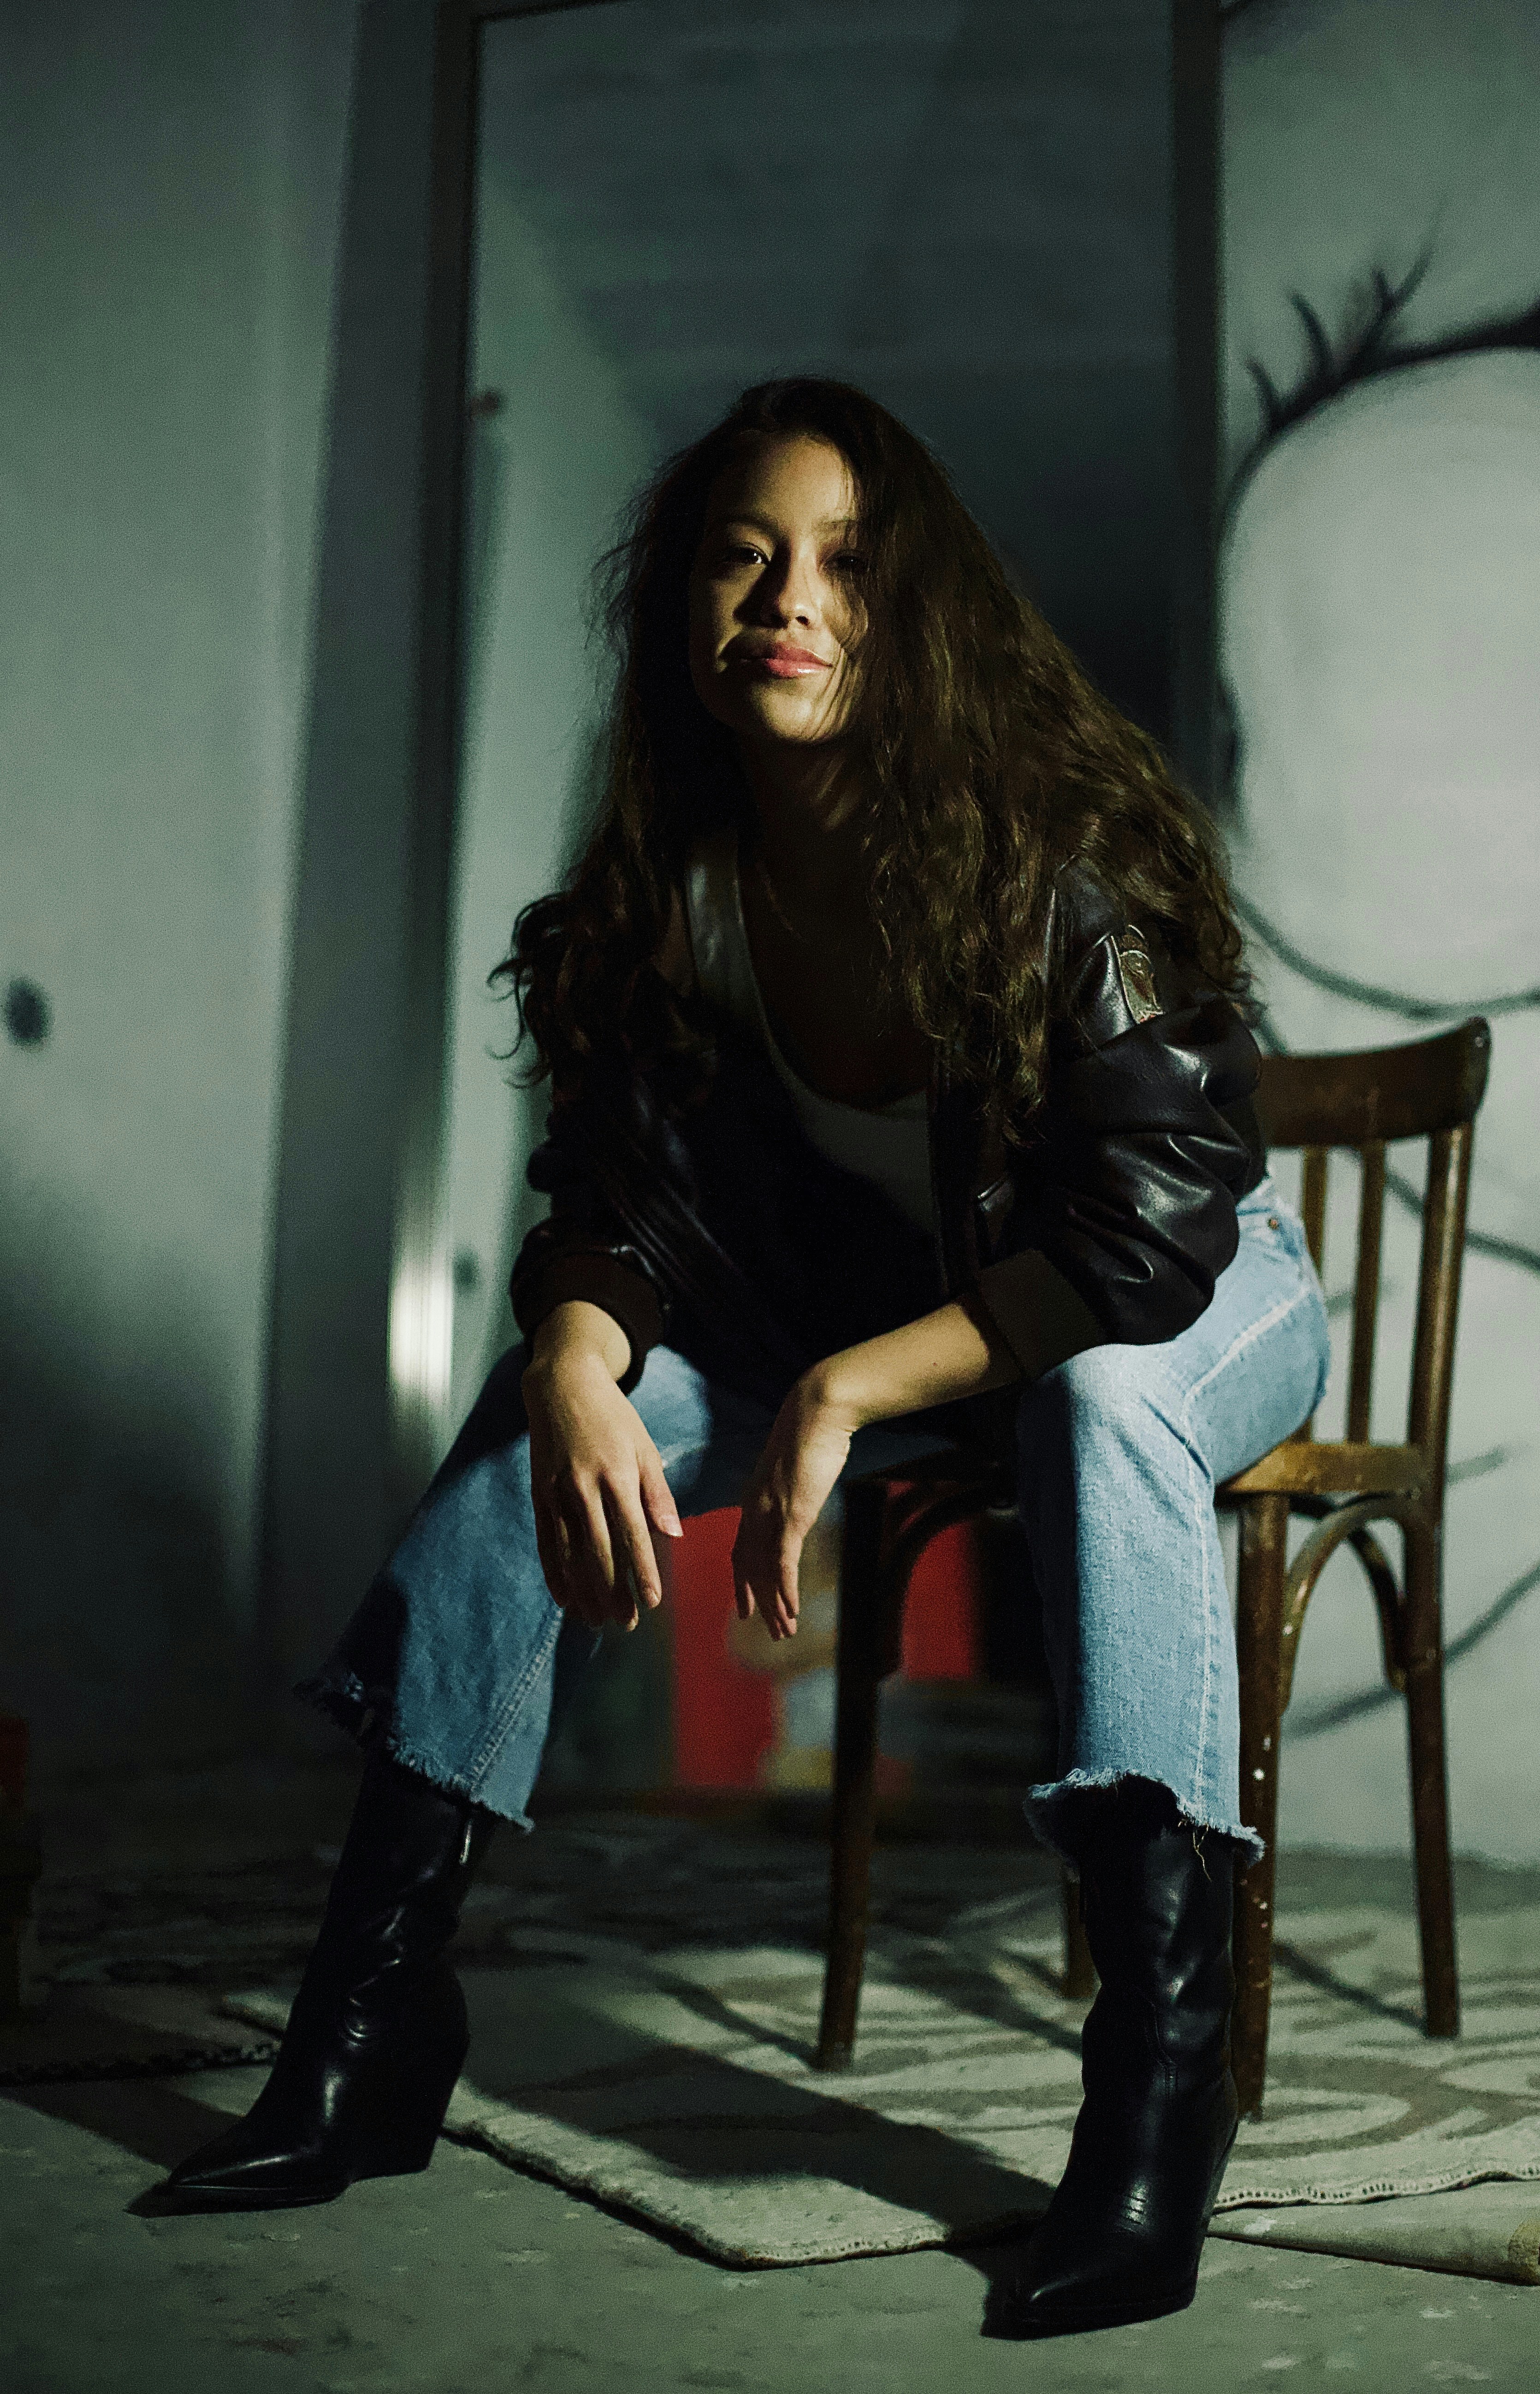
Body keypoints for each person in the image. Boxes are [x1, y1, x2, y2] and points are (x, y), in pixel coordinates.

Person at [157, 378, 1330, 2336]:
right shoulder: (676, 883)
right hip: (882, 1319)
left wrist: (849, 1388)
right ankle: (368, 2023)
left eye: (845, 563)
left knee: (1103, 1394)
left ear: (915, 613)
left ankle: (1156, 2080)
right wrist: (564, 1353)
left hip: (1178, 1290)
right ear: (685, 606)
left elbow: (1141, 1227)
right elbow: (619, 1196)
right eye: (742, 552)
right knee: (539, 1434)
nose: (786, 597)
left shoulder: (1054, 843)